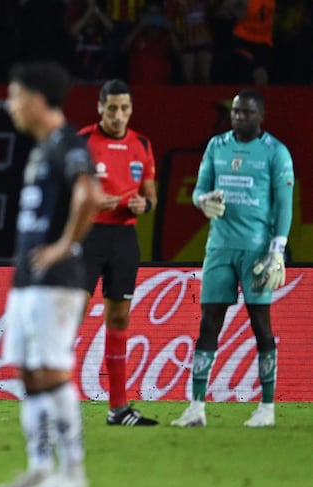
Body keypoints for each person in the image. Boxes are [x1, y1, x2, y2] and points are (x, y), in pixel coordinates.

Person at [0, 61, 100, 487]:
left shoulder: (67, 144)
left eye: (14, 96)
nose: (8, 105)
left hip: (56, 278)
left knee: (51, 369)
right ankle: (39, 467)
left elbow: (88, 193)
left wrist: (64, 244)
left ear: (36, 100)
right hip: (28, 279)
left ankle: (73, 471)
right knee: (30, 372)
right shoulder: (41, 148)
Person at [172, 89, 294, 428]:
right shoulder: (216, 146)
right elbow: (199, 189)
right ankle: (196, 407)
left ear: (261, 116)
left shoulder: (276, 152)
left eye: (247, 112)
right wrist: (202, 200)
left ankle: (267, 407)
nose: (239, 117)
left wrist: (277, 250)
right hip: (219, 247)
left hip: (256, 250)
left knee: (260, 323)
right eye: (236, 112)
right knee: (209, 323)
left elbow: (284, 204)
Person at [77, 79, 159, 426]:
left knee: (120, 319)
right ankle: (56, 403)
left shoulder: (142, 144)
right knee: (72, 318)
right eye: (112, 108)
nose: (118, 115)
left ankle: (119, 408)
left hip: (124, 239)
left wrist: (145, 204)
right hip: (88, 236)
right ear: (100, 108)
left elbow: (151, 196)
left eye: (124, 108)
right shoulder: (82, 141)